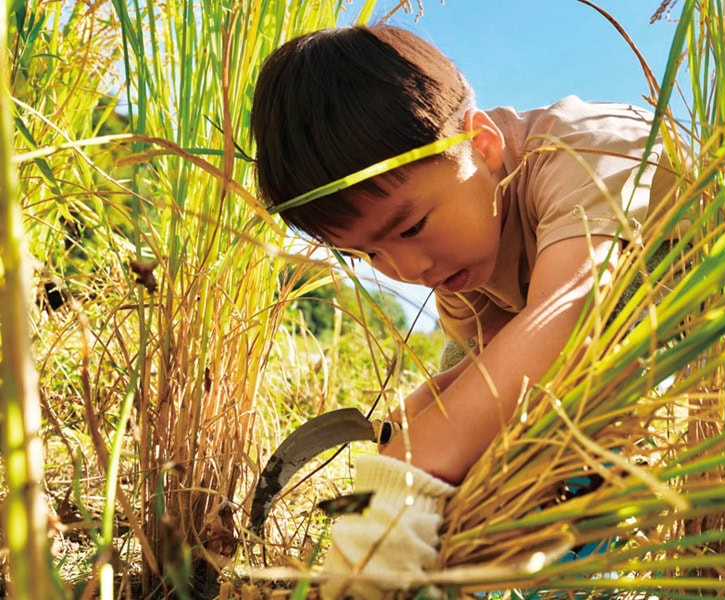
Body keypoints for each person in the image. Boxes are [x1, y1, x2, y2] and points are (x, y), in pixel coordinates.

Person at [250, 24, 681, 597]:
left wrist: (416, 463)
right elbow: (494, 374)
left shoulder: (589, 148)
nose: (405, 270)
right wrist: (431, 410)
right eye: (368, 252)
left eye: (410, 226)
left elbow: (572, 312)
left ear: (481, 144)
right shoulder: (459, 268)